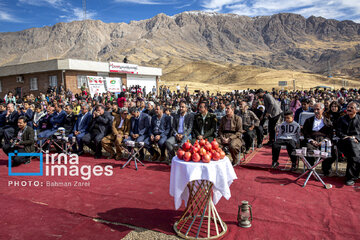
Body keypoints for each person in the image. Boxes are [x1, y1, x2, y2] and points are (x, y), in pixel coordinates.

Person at [302, 103, 334, 176]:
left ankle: (326, 170)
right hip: (312, 139)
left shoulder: (328, 122)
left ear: (323, 110)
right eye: (314, 109)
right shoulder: (309, 121)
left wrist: (324, 141)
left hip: (324, 140)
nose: (316, 111)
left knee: (331, 150)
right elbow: (305, 133)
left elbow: (330, 134)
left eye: (318, 109)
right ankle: (311, 169)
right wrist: (311, 140)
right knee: (308, 148)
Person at [336, 101, 360, 186]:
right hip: (344, 142)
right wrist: (347, 137)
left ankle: (351, 177)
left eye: (351, 108)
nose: (349, 109)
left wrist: (356, 138)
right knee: (352, 147)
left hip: (357, 143)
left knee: (352, 154)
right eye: (348, 107)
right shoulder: (341, 119)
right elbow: (338, 132)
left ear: (357, 110)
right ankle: (352, 176)